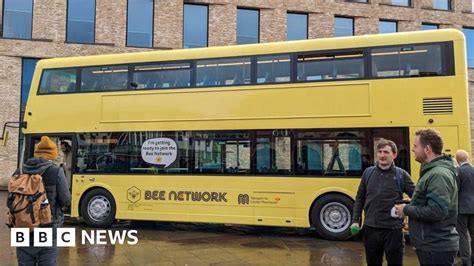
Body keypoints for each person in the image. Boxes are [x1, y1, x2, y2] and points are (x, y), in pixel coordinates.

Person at [395, 128, 458, 265]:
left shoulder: (438, 175)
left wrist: (406, 209)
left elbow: (437, 211)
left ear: (427, 149)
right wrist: (413, 203)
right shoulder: (434, 172)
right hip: (432, 244)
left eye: (416, 146)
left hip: (435, 246)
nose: (413, 150)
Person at [352, 138, 415, 265]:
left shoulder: (402, 175)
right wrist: (355, 221)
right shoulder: (368, 173)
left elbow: (417, 198)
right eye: (380, 151)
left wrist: (405, 209)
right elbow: (360, 198)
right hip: (370, 229)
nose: (382, 155)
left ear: (394, 155)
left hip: (393, 231)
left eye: (386, 152)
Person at [14, 136, 71, 266]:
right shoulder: (56, 171)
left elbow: (10, 202)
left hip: (22, 228)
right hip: (47, 228)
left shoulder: (20, 171)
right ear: (52, 154)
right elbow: (66, 200)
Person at [455, 149, 474, 266]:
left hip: (462, 208)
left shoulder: (458, 171)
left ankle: (466, 261)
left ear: (457, 160)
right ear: (468, 158)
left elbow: (455, 190)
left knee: (462, 235)